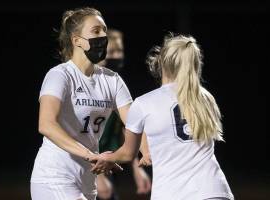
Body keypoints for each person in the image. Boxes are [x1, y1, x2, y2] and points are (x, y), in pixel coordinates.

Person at [89, 33, 235, 200]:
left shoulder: (144, 103)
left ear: (160, 62)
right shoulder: (206, 98)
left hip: (173, 193)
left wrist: (107, 158)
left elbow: (128, 153)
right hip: (215, 190)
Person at [30, 7, 144, 200]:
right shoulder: (60, 75)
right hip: (54, 176)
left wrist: (145, 153)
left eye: (104, 30)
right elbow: (46, 124)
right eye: (96, 31)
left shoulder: (112, 80)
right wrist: (91, 155)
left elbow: (135, 123)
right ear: (77, 41)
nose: (103, 35)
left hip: (87, 179)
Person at [96, 29, 151, 200]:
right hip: (82, 163)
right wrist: (96, 176)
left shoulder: (116, 84)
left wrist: (137, 167)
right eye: (112, 52)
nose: (117, 56)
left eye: (120, 51)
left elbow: (128, 128)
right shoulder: (91, 85)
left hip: (109, 162)